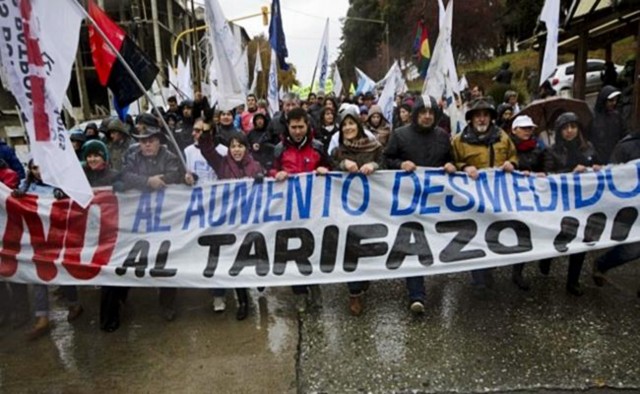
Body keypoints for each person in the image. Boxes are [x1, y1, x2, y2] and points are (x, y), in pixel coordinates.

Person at [384, 95, 456, 314]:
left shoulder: (443, 136)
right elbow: (386, 159)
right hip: (408, 201)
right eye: (423, 113)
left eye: (431, 113)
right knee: (413, 244)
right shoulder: (399, 135)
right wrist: (400, 163)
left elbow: (449, 160)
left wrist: (451, 165)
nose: (427, 116)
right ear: (415, 115)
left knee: (434, 242)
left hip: (435, 202)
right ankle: (416, 294)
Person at [121, 116, 186, 321]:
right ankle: (123, 297)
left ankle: (167, 303)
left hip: (166, 219)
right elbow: (122, 176)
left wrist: (164, 180)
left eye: (150, 140)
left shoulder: (169, 156)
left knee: (165, 260)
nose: (146, 144)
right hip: (137, 220)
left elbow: (176, 174)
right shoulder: (132, 155)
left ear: (159, 141)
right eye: (142, 141)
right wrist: (147, 181)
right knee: (129, 258)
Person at [12, 159, 84, 339]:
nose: (38, 172)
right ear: (30, 169)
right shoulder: (25, 186)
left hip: (58, 237)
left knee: (63, 273)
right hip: (35, 239)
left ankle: (74, 304)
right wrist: (17, 195)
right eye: (34, 168)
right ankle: (42, 317)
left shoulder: (60, 185)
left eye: (42, 167)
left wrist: (65, 195)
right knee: (38, 276)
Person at [451, 97, 518, 289]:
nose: (481, 119)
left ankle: (489, 266)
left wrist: (511, 163)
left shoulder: (503, 137)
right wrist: (463, 167)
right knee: (476, 234)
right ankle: (479, 277)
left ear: (491, 118)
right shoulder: (459, 140)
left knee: (494, 232)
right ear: (471, 119)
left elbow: (513, 155)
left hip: (498, 197)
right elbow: (451, 162)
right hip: (471, 199)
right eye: (477, 116)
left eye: (485, 116)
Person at [269, 107, 330, 313]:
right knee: (295, 252)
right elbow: (270, 170)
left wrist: (325, 170)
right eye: (293, 127)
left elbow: (332, 169)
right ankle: (299, 293)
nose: (297, 131)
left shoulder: (319, 147)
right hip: (290, 211)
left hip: (314, 210)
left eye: (300, 127)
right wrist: (275, 173)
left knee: (314, 250)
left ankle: (315, 288)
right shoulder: (279, 150)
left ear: (307, 126)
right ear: (288, 127)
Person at [198, 130, 263, 320]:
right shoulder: (222, 164)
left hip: (251, 220)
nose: (236, 150)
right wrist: (207, 129)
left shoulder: (255, 166)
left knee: (254, 254)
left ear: (246, 148)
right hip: (230, 221)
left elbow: (265, 186)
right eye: (233, 146)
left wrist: (262, 178)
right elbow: (206, 149)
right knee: (237, 260)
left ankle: (261, 280)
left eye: (240, 146)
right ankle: (242, 301)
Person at [331, 105, 383, 316]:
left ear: (359, 125)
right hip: (346, 207)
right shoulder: (337, 150)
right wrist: (343, 163)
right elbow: (329, 168)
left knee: (366, 245)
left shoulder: (374, 146)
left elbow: (385, 163)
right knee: (349, 247)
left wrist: (374, 166)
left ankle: (363, 280)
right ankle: (354, 294)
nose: (348, 128)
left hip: (371, 206)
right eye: (345, 125)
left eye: (352, 123)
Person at [542, 112, 601, 296]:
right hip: (562, 204)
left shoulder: (588, 148)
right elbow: (548, 176)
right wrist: (570, 172)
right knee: (560, 237)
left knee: (582, 240)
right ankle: (546, 259)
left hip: (584, 205)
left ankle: (573, 281)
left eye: (573, 127)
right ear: (559, 131)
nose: (570, 131)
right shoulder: (552, 151)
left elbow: (600, 166)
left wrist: (598, 168)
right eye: (565, 128)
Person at [592, 128, 640, 292]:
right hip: (633, 209)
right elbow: (613, 177)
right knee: (632, 250)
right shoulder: (627, 146)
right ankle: (602, 263)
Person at [509, 115, 547, 290]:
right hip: (512, 198)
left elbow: (548, 166)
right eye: (523, 128)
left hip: (534, 198)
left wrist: (543, 173)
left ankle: (518, 271)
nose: (527, 131)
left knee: (528, 234)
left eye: (530, 128)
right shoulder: (508, 147)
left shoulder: (540, 147)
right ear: (514, 130)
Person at [586, 85, 627, 164]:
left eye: (615, 100)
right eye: (611, 100)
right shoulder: (591, 116)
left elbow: (624, 134)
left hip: (615, 158)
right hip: (597, 160)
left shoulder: (617, 116)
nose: (614, 103)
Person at [184, 117, 225, 187]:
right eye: (193, 130)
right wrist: (185, 178)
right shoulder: (187, 151)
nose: (193, 133)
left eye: (197, 131)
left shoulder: (224, 151)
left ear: (210, 131)